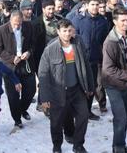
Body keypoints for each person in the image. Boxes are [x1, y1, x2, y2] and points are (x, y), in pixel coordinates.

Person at [39, 19, 94, 153]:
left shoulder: (78, 43)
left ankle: (78, 145)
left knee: (83, 116)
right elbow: (43, 74)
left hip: (77, 89)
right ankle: (57, 145)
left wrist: (90, 86)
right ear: (58, 32)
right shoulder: (50, 49)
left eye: (69, 30)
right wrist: (44, 97)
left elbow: (86, 66)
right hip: (58, 92)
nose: (67, 34)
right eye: (64, 31)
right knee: (56, 122)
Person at [102, 8, 127, 153]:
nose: (126, 23)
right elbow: (108, 69)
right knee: (120, 117)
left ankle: (121, 142)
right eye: (122, 20)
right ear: (115, 21)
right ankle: (118, 147)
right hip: (113, 85)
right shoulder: (110, 42)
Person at [0, 10, 36, 128]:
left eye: (19, 24)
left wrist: (28, 52)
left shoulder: (28, 26)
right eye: (15, 24)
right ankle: (17, 119)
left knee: (31, 90)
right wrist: (12, 58)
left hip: (26, 65)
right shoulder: (1, 30)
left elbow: (33, 44)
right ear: (10, 20)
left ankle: (22, 109)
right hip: (10, 67)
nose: (17, 26)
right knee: (13, 96)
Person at [72, 0, 110, 118]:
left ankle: (87, 111)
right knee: (78, 86)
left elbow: (105, 40)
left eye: (97, 5)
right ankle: (76, 110)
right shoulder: (78, 20)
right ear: (87, 5)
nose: (94, 7)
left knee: (92, 86)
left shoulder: (103, 22)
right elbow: (71, 38)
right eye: (92, 5)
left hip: (95, 59)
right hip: (79, 59)